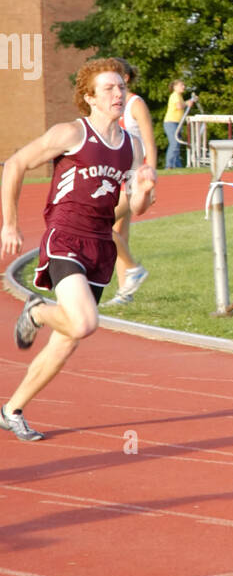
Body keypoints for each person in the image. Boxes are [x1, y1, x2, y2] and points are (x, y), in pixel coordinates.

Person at [0, 58, 156, 442]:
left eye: (121, 86)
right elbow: (15, 163)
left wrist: (145, 194)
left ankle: (11, 410)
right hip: (65, 238)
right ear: (89, 98)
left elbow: (132, 207)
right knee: (85, 323)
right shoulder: (71, 133)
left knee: (68, 339)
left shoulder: (131, 147)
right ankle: (37, 310)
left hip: (101, 246)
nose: (118, 94)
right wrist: (9, 222)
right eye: (109, 88)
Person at [105, 58, 158, 307]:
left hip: (133, 177)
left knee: (101, 225)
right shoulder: (111, 106)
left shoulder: (135, 104)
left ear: (125, 79)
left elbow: (150, 142)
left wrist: (151, 178)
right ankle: (125, 292)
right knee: (118, 234)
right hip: (115, 176)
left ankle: (133, 271)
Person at [164, 80, 195, 169]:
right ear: (175, 87)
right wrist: (187, 103)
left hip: (177, 123)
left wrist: (188, 102)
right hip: (171, 122)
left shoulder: (179, 96)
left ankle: (177, 166)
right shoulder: (175, 96)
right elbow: (179, 106)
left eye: (184, 85)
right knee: (174, 143)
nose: (183, 87)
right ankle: (169, 165)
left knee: (177, 144)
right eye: (181, 85)